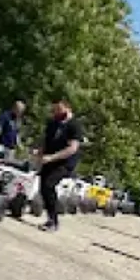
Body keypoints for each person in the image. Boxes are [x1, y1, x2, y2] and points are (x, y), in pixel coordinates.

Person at [34, 98, 84, 232]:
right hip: (49, 159)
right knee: (43, 188)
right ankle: (50, 217)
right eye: (55, 110)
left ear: (68, 109)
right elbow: (45, 140)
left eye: (59, 110)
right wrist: (40, 153)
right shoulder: (53, 122)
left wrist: (52, 157)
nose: (56, 112)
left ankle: (54, 221)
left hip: (65, 162)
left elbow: (72, 148)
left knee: (49, 184)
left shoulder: (75, 125)